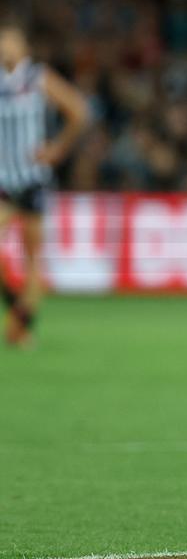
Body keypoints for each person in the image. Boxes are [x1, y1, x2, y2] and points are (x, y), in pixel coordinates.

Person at [0, 22, 90, 347]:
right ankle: (15, 306)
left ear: (23, 48)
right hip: (3, 181)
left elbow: (78, 112)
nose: (4, 48)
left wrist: (57, 150)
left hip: (33, 180)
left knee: (33, 256)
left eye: (9, 41)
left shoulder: (37, 77)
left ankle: (22, 324)